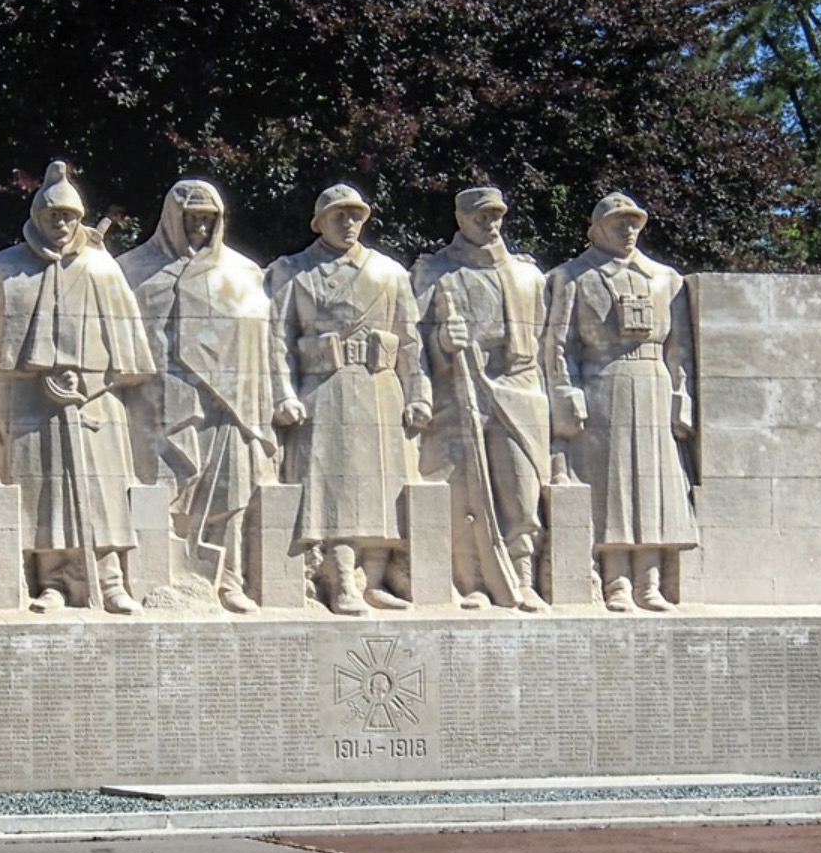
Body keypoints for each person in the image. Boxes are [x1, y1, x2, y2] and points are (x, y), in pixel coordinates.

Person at [118, 178, 303, 613]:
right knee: (161, 490)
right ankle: (158, 579)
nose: (200, 226)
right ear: (172, 218)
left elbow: (269, 341)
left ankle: (231, 581)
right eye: (192, 218)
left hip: (232, 405)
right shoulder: (133, 270)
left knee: (231, 496)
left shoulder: (244, 272)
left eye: (209, 218)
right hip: (163, 403)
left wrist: (281, 394)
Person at [0, 160, 156, 614]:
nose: (61, 224)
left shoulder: (102, 269)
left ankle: (110, 579)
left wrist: (92, 382)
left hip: (97, 402)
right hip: (32, 403)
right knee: (44, 494)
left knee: (104, 493)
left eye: (69, 216)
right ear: (36, 219)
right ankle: (54, 582)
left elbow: (130, 352)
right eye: (52, 216)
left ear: (80, 219)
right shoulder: (6, 270)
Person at [266, 184, 431, 615]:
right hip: (326, 388)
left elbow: (411, 341)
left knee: (383, 489)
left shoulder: (389, 272)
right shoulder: (294, 272)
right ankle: (340, 578)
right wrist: (283, 393)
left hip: (380, 389)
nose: (349, 223)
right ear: (319, 222)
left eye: (356, 215)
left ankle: (372, 578)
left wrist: (419, 395)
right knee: (332, 489)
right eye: (339, 216)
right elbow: (276, 342)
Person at [546, 192, 698, 612]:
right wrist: (565, 392)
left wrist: (681, 398)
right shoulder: (571, 277)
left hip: (652, 382)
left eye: (634, 222)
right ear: (597, 230)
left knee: (653, 487)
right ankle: (615, 582)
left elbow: (679, 349)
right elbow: (558, 346)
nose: (628, 230)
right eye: (618, 223)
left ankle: (650, 581)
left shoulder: (665, 278)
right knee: (610, 487)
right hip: (603, 383)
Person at [412, 186, 552, 611]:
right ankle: (471, 579)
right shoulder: (436, 273)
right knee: (460, 489)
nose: (489, 223)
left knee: (521, 487)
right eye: (479, 216)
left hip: (519, 387)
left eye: (495, 215)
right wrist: (441, 339)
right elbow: (411, 339)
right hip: (460, 387)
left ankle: (523, 576)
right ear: (460, 218)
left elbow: (547, 339)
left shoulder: (529, 275)